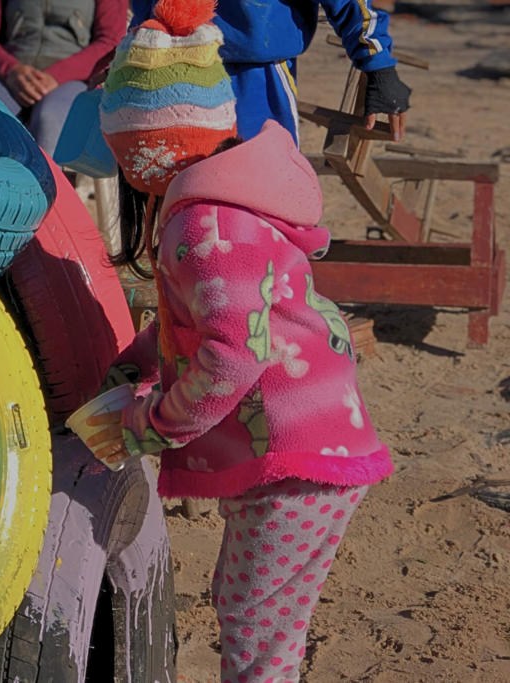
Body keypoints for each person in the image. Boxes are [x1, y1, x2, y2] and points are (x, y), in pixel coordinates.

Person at [87, 1, 393, 680]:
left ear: (147, 151)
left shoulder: (202, 230)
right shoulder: (224, 202)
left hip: (298, 456)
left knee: (259, 630)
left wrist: (154, 420)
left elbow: (231, 353)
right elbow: (193, 319)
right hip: (301, 445)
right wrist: (136, 361)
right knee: (242, 599)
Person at [125, 0, 411, 143]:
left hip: (257, 77)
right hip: (170, 66)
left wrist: (378, 65)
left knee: (261, 188)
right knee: (180, 196)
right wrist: (134, 51)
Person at [0, 0, 128, 153]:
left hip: (75, 78)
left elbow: (110, 42)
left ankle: (44, 180)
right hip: (9, 75)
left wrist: (56, 76)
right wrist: (10, 69)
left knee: (50, 121)